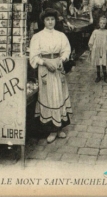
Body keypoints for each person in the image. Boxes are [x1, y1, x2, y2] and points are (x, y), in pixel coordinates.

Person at [29, 8, 72, 143]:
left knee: (58, 95)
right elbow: (33, 56)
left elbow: (66, 50)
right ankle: (51, 130)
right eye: (47, 20)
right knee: (48, 97)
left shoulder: (60, 35)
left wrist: (61, 59)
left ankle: (58, 127)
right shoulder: (37, 37)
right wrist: (45, 62)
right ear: (43, 21)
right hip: (45, 68)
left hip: (58, 67)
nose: (50, 22)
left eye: (52, 19)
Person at [88, 16, 107, 84]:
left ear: (105, 24)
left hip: (104, 49)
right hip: (97, 49)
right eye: (101, 23)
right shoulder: (95, 31)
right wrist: (91, 47)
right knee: (98, 63)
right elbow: (91, 40)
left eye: (104, 23)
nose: (102, 25)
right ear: (99, 23)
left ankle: (105, 76)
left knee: (104, 63)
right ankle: (98, 76)